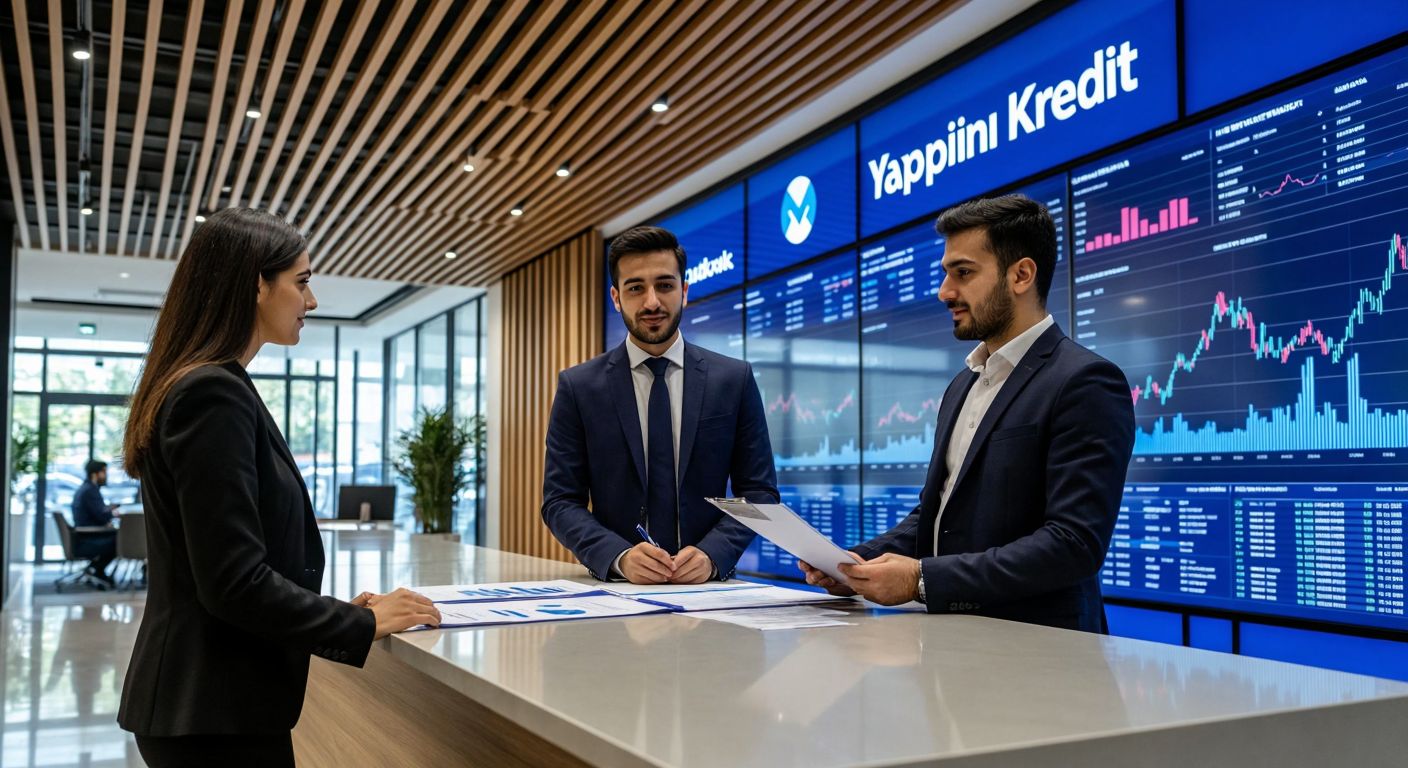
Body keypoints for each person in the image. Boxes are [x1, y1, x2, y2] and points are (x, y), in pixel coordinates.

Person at [117, 208, 441, 767]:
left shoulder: (212, 384)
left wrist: (328, 607)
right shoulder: (211, 394)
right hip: (212, 713)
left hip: (215, 708)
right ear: (256, 284)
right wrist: (358, 624)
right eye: (302, 281)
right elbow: (233, 582)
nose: (311, 301)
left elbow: (229, 562)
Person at [801, 194, 1135, 632]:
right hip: (953, 648)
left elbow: (1073, 544)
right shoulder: (963, 385)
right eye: (946, 274)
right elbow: (936, 514)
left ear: (1021, 275)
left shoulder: (1085, 381)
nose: (945, 292)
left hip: (1046, 658)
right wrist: (853, 563)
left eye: (963, 273)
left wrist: (921, 580)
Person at [543, 225, 779, 584]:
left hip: (711, 594)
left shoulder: (734, 380)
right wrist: (617, 556)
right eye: (636, 288)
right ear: (616, 297)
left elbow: (760, 493)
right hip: (615, 598)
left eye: (665, 285)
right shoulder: (578, 387)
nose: (652, 302)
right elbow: (560, 501)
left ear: (684, 291)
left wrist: (713, 554)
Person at [70, 458, 119, 587]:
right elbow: (101, 516)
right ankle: (96, 570)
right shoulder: (90, 491)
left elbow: (97, 514)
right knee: (120, 540)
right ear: (95, 474)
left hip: (83, 537)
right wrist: (111, 513)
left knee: (116, 537)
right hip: (87, 540)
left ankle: (96, 570)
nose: (106, 476)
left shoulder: (86, 489)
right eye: (104, 472)